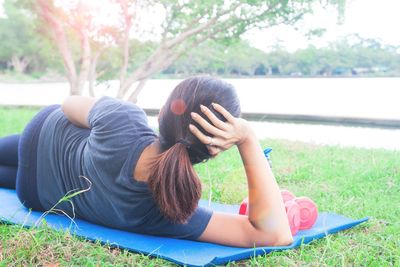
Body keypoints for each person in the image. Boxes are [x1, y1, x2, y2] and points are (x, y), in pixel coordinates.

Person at [0, 76, 292, 247]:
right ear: (216, 149)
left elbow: (68, 104)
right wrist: (248, 139)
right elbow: (274, 234)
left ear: (165, 110)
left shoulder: (123, 119)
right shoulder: (172, 210)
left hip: (41, 136)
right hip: (35, 194)